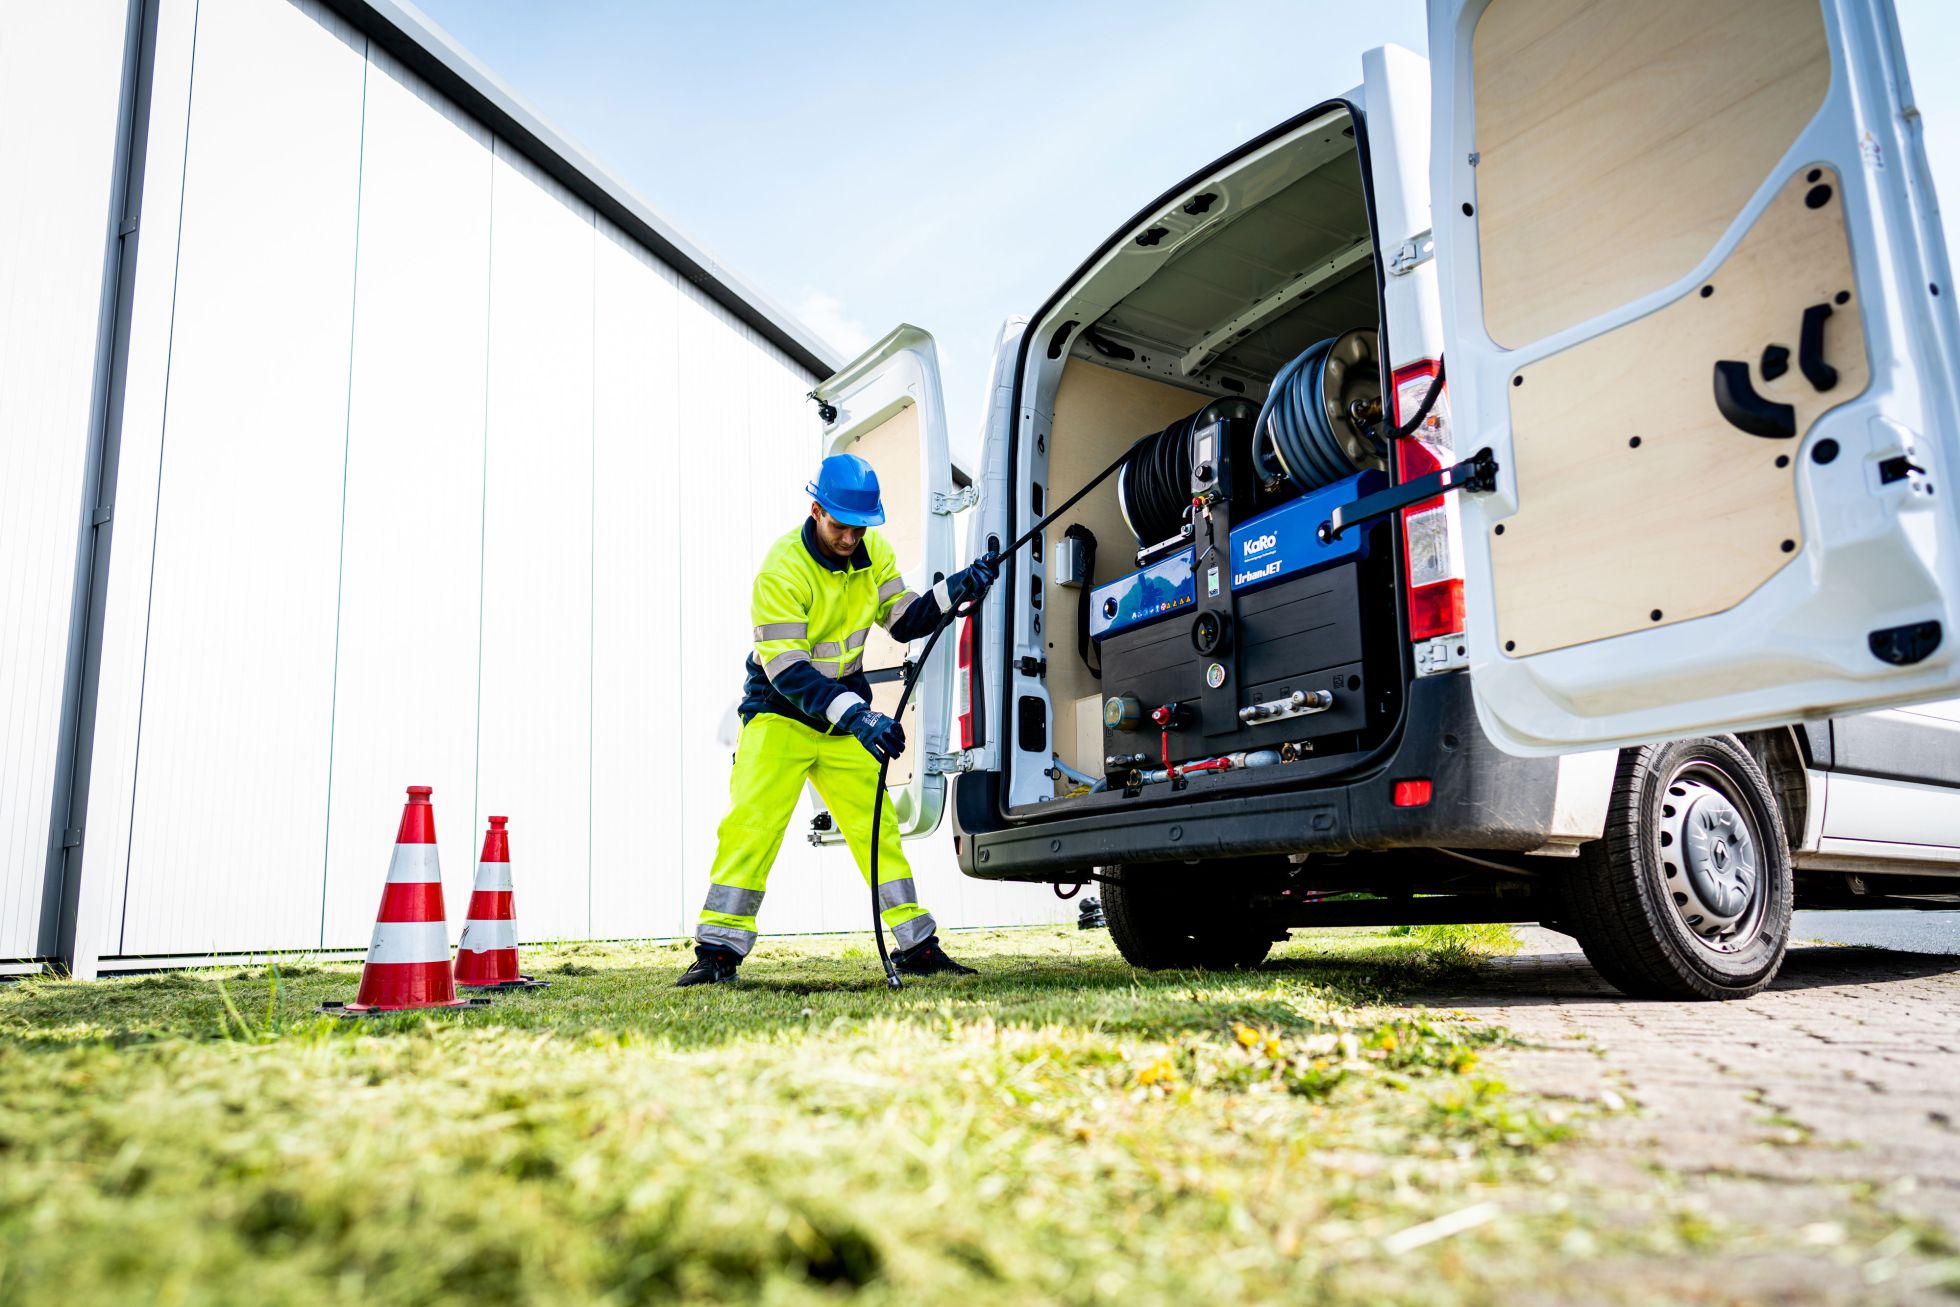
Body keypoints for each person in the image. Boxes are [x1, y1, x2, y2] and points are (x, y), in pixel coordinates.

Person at [676, 452, 998, 986]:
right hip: (778, 714)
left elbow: (904, 620)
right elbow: (789, 670)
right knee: (751, 828)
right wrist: (860, 717)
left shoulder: (874, 553)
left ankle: (916, 947)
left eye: (860, 528)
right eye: (841, 526)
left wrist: (956, 588)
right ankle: (717, 954)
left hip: (842, 717)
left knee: (878, 830)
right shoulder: (782, 569)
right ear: (817, 511)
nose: (851, 539)